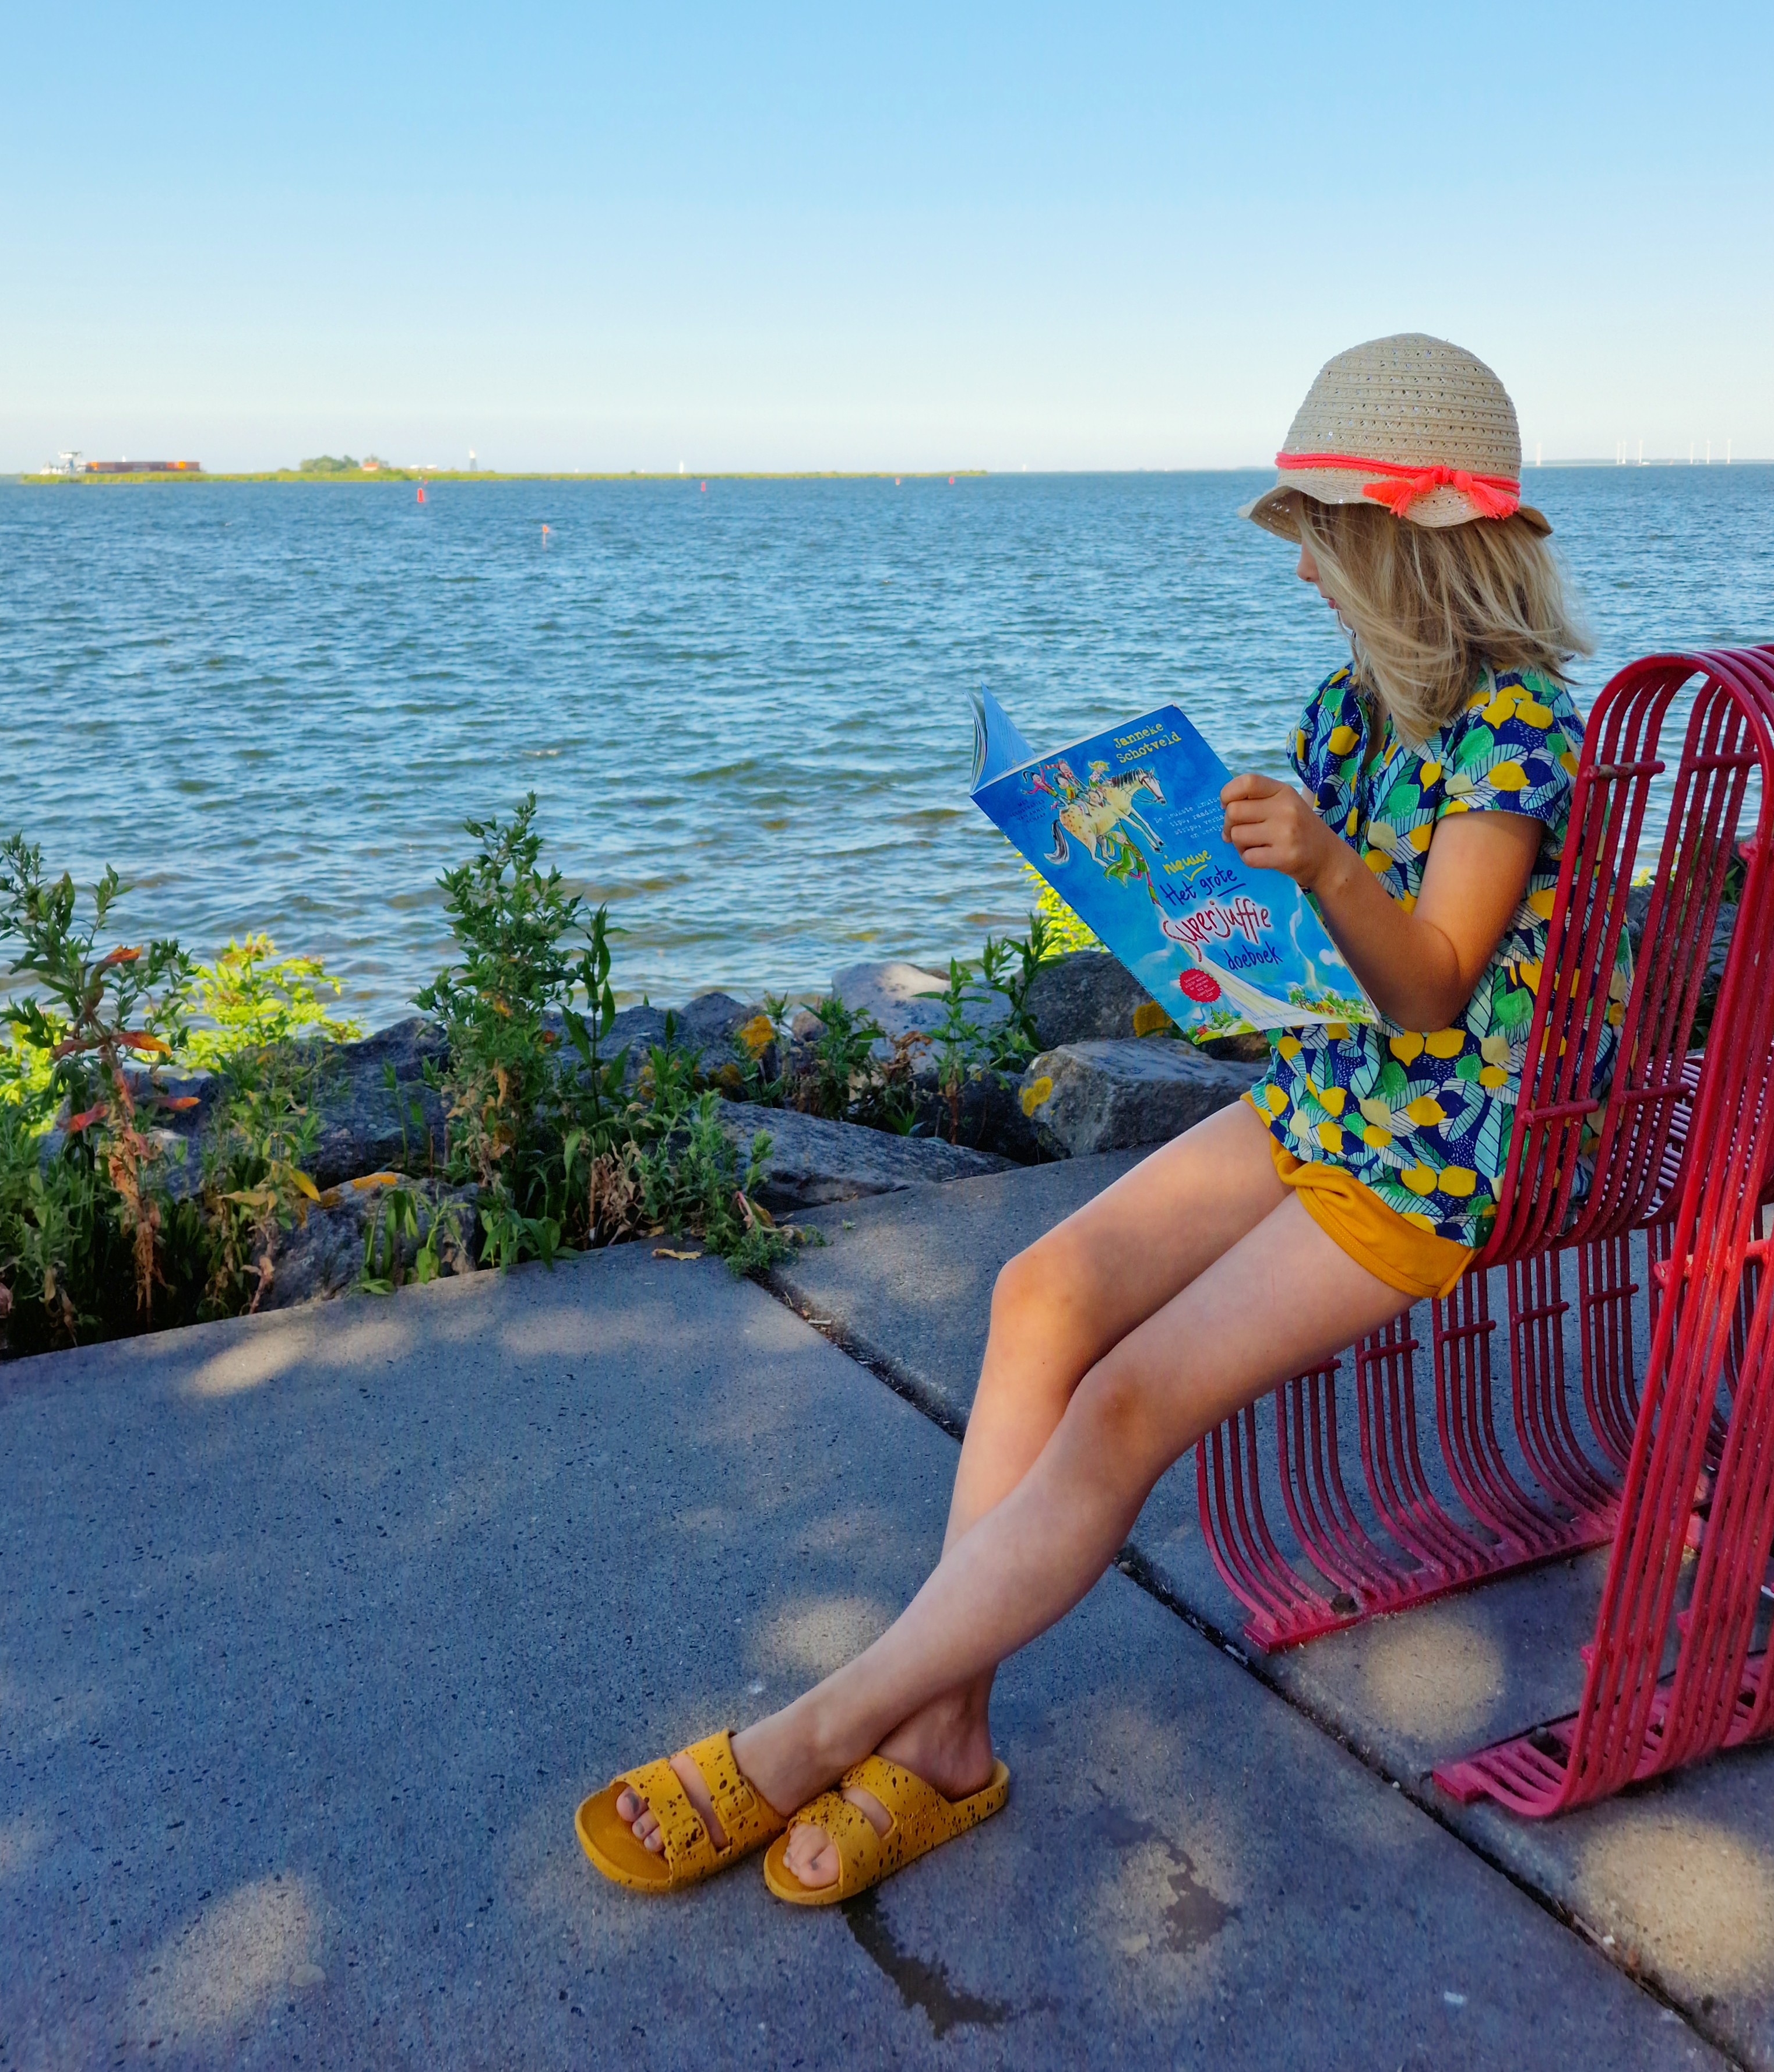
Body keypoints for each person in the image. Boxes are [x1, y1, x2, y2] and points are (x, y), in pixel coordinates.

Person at [576, 332, 1624, 1905]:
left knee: (1123, 1401)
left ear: (1407, 545)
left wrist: (1328, 868)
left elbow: (1431, 985)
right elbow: (1320, 966)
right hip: (1331, 1093)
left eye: (1321, 542)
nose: (1304, 578)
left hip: (1431, 1152)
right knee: (1040, 1290)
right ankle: (943, 1732)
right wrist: (1198, 917)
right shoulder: (1354, 711)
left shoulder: (1517, 729)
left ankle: (818, 1730)